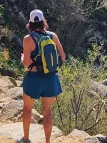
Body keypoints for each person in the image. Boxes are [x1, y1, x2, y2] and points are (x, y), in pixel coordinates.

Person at [17, 9, 66, 143]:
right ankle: (47, 142)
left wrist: (23, 58)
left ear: (30, 23)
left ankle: (26, 139)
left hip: (33, 78)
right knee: (47, 112)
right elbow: (63, 56)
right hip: (50, 78)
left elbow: (27, 63)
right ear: (44, 22)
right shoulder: (53, 36)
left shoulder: (28, 39)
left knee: (27, 109)